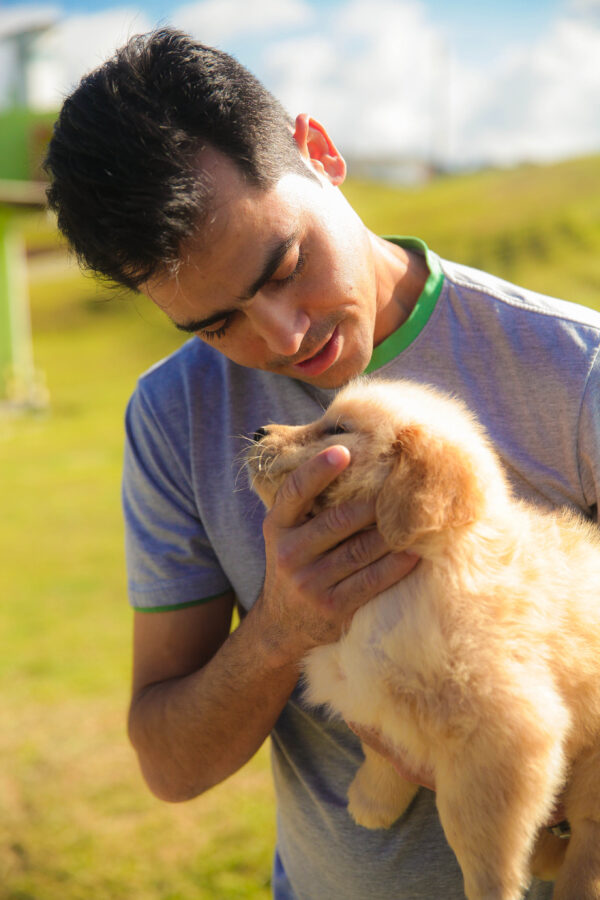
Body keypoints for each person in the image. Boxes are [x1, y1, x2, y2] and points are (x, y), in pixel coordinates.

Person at [44, 28, 600, 900]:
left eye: (287, 265)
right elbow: (169, 764)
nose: (284, 337)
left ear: (321, 153)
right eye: (216, 324)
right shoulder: (172, 417)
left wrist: (543, 778)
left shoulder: (577, 370)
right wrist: (283, 628)